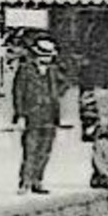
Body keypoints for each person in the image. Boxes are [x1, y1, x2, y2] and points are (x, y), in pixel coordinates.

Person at [12, 36, 67, 194]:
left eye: (49, 56)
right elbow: (18, 93)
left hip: (49, 116)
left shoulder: (52, 71)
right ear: (36, 55)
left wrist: (56, 103)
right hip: (32, 117)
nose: (47, 59)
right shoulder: (25, 70)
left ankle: (38, 180)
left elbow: (62, 85)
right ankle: (25, 182)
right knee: (30, 150)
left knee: (45, 150)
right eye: (44, 56)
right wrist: (20, 115)